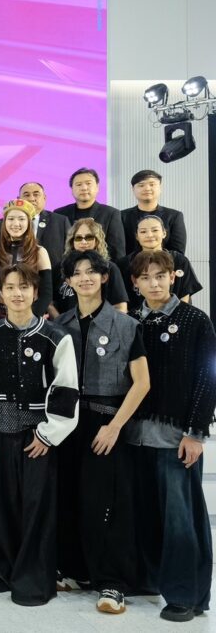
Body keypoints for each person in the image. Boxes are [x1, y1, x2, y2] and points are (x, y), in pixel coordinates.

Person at [0, 263, 79, 606]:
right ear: (1, 294)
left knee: (37, 508)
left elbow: (66, 389)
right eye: (10, 287)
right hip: (2, 432)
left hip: (39, 435)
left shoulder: (56, 337)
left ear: (35, 293)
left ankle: (33, 576)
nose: (17, 293)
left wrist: (48, 434)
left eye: (24, 287)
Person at [54, 250, 149, 614]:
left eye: (92, 271)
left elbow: (142, 383)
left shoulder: (126, 325)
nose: (85, 278)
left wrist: (114, 427)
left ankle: (113, 582)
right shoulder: (61, 325)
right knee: (69, 496)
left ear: (105, 277)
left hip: (106, 423)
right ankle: (75, 570)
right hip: (67, 422)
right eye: (77, 273)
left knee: (107, 504)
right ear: (68, 281)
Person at [128, 250, 215, 623]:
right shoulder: (132, 321)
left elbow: (207, 378)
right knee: (146, 514)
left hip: (176, 437)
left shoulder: (195, 320)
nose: (154, 284)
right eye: (146, 278)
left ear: (173, 277)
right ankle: (150, 580)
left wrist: (196, 433)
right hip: (136, 437)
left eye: (160, 276)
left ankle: (186, 595)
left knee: (182, 519)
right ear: (135, 283)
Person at [0, 199, 54, 318]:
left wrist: (32, 318)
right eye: (11, 219)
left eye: (21, 219)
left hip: (30, 313)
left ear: (29, 223)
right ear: (4, 222)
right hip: (0, 315)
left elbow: (46, 293)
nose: (16, 223)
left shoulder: (39, 252)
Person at [117, 214, 201, 305]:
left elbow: (185, 295)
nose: (149, 235)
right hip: (136, 313)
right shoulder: (125, 263)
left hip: (175, 312)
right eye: (143, 231)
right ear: (137, 236)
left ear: (164, 233)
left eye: (155, 230)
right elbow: (122, 298)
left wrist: (180, 312)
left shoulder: (179, 260)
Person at [54, 218, 128, 315]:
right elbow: (50, 303)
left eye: (89, 237)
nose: (83, 242)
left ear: (97, 240)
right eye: (78, 238)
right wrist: (61, 322)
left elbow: (120, 306)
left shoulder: (110, 268)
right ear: (72, 241)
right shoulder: (60, 267)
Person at [55, 168, 126, 260]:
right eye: (78, 184)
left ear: (97, 187)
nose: (84, 188)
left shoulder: (111, 213)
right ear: (72, 189)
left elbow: (117, 250)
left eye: (88, 183)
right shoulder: (60, 214)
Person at [120, 169, 186, 255]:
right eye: (141, 185)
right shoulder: (121, 216)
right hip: (130, 262)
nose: (147, 188)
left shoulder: (174, 216)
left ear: (160, 187)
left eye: (152, 184)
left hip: (166, 262)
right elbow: (119, 250)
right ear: (133, 189)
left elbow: (178, 252)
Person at [18, 181, 71, 268]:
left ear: (44, 198)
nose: (31, 199)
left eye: (36, 194)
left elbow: (70, 252)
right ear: (19, 199)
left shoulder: (60, 221)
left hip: (53, 273)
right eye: (26, 195)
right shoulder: (6, 223)